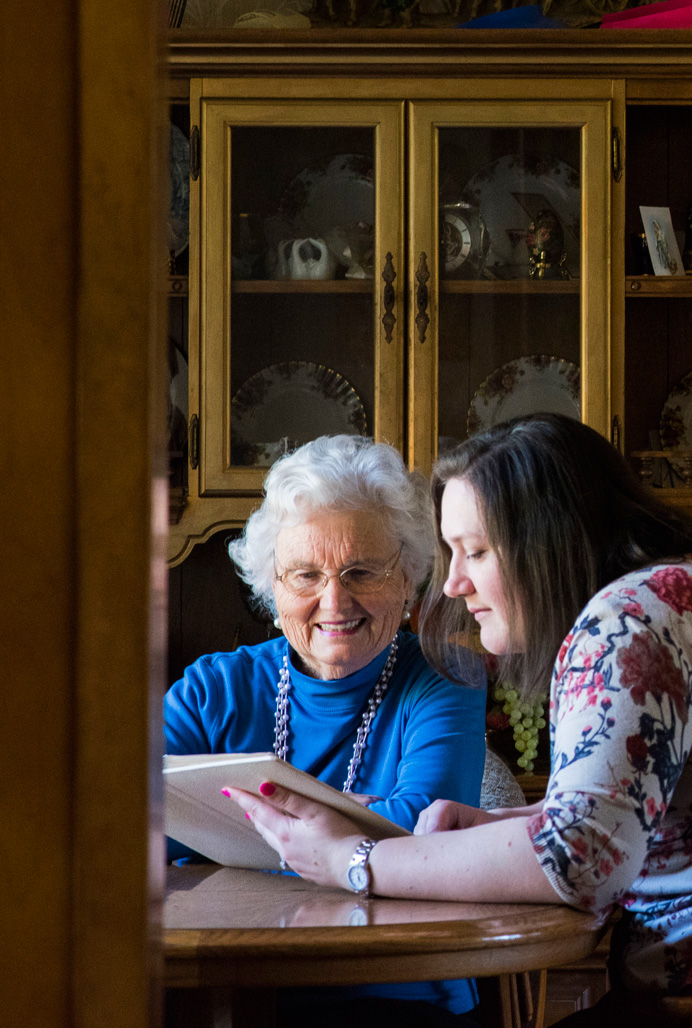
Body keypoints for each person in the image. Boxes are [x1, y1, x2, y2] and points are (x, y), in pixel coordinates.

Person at [223, 415, 692, 1020]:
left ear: (545, 543)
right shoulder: (673, 593)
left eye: (475, 550)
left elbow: (580, 864)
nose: (452, 582)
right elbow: (614, 827)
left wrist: (352, 863)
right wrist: (514, 826)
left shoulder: (631, 619)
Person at [165, 435, 488, 1027]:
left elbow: (424, 827)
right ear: (271, 585)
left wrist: (220, 826)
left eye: (362, 571)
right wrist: (350, 824)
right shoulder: (213, 689)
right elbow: (126, 824)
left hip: (398, 994)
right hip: (227, 986)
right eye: (305, 574)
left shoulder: (446, 675)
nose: (333, 601)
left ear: (410, 577)